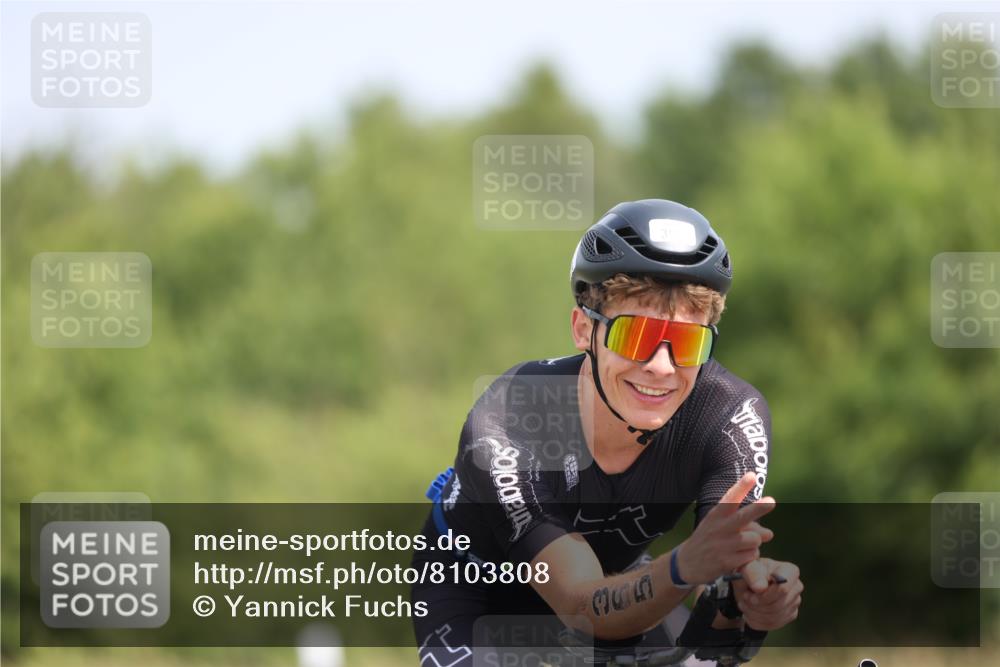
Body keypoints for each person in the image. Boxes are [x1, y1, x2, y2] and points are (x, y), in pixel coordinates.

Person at [412, 199, 803, 666]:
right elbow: (580, 605)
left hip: (620, 580)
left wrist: (748, 602)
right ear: (583, 329)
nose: (661, 367)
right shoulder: (509, 417)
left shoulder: (730, 417)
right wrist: (682, 568)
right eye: (635, 337)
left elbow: (714, 636)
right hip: (478, 591)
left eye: (687, 342)